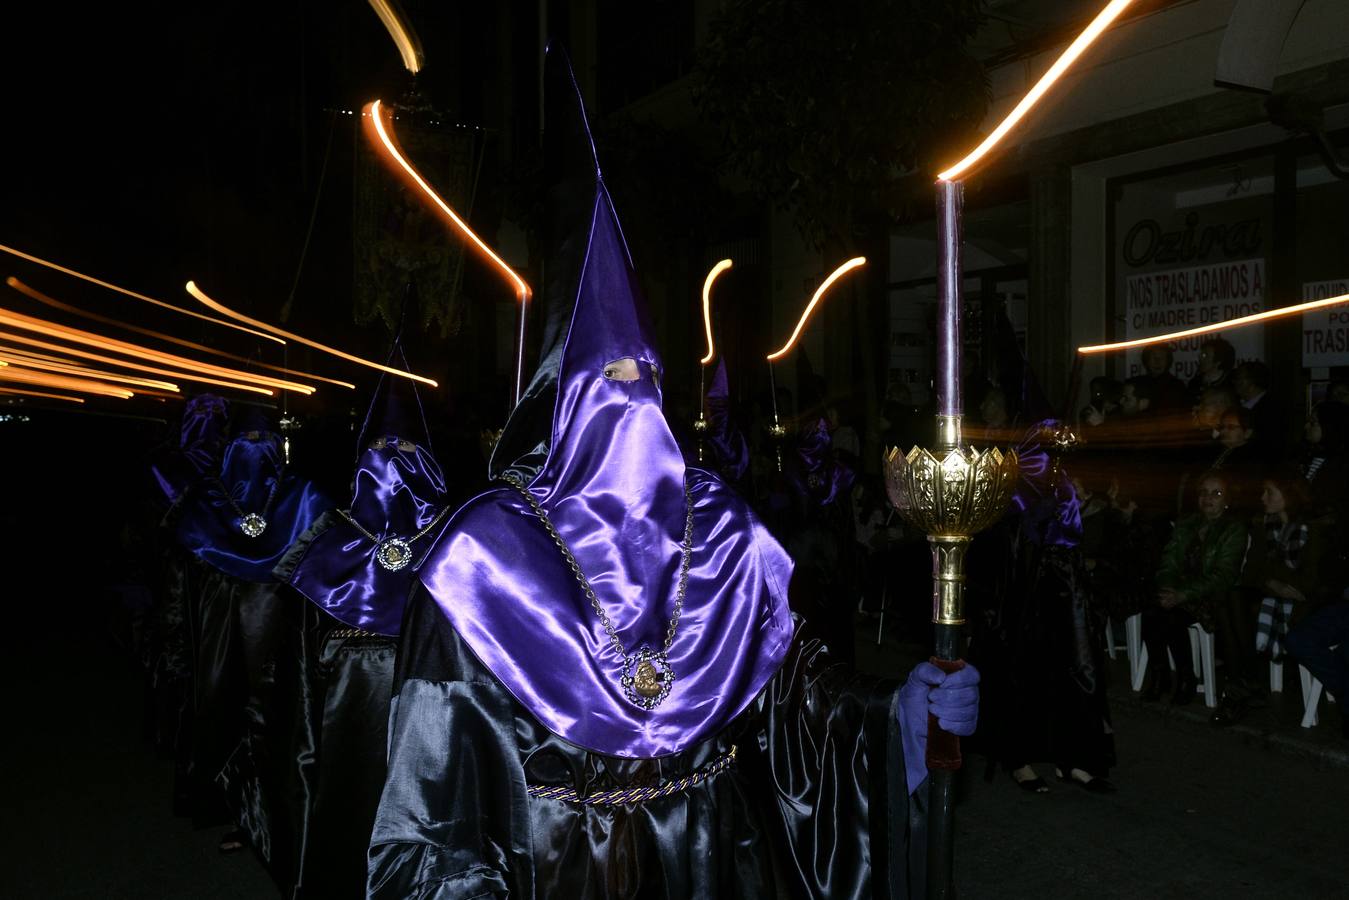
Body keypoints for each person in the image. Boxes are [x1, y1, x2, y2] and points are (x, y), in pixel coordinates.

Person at [366, 49, 978, 899]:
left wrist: (897, 715)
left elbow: (793, 700)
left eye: (644, 379)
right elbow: (433, 810)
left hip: (715, 868)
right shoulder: (486, 557)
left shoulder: (720, 527)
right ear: (556, 400)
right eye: (605, 383)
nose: (632, 404)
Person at [269, 339, 451, 898]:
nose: (392, 460)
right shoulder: (323, 556)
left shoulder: (460, 550)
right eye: (380, 446)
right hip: (348, 760)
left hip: (435, 765)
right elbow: (297, 709)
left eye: (406, 447)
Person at [171, 409, 329, 853]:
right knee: (237, 708)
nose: (254, 455)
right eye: (247, 445)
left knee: (280, 714)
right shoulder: (209, 499)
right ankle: (244, 811)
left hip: (281, 627)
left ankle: (281, 814)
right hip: (231, 627)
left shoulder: (302, 495)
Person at [1140, 472, 1246, 705]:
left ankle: (1187, 678)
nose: (1208, 498)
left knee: (1172, 618)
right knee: (1150, 613)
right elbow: (1168, 562)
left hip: (1209, 596)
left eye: (1216, 493)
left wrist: (1182, 594)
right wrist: (1168, 588)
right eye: (1204, 492)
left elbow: (1223, 576)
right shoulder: (1186, 524)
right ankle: (1160, 675)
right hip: (1179, 591)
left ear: (1226, 500)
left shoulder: (1233, 529)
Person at [1232, 360, 1287, 464]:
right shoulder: (1237, 406)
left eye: (1239, 378)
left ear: (1251, 382)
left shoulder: (1271, 410)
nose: (1235, 382)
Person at [1186, 337, 1236, 403]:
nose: (1200, 358)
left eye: (1205, 355)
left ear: (1218, 361)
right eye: (1201, 355)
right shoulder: (1194, 384)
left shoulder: (1231, 385)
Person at [1140, 345, 1188, 411]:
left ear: (1168, 361)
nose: (1157, 362)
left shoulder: (1177, 386)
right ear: (1147, 360)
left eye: (1162, 358)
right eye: (1154, 357)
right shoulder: (1138, 384)